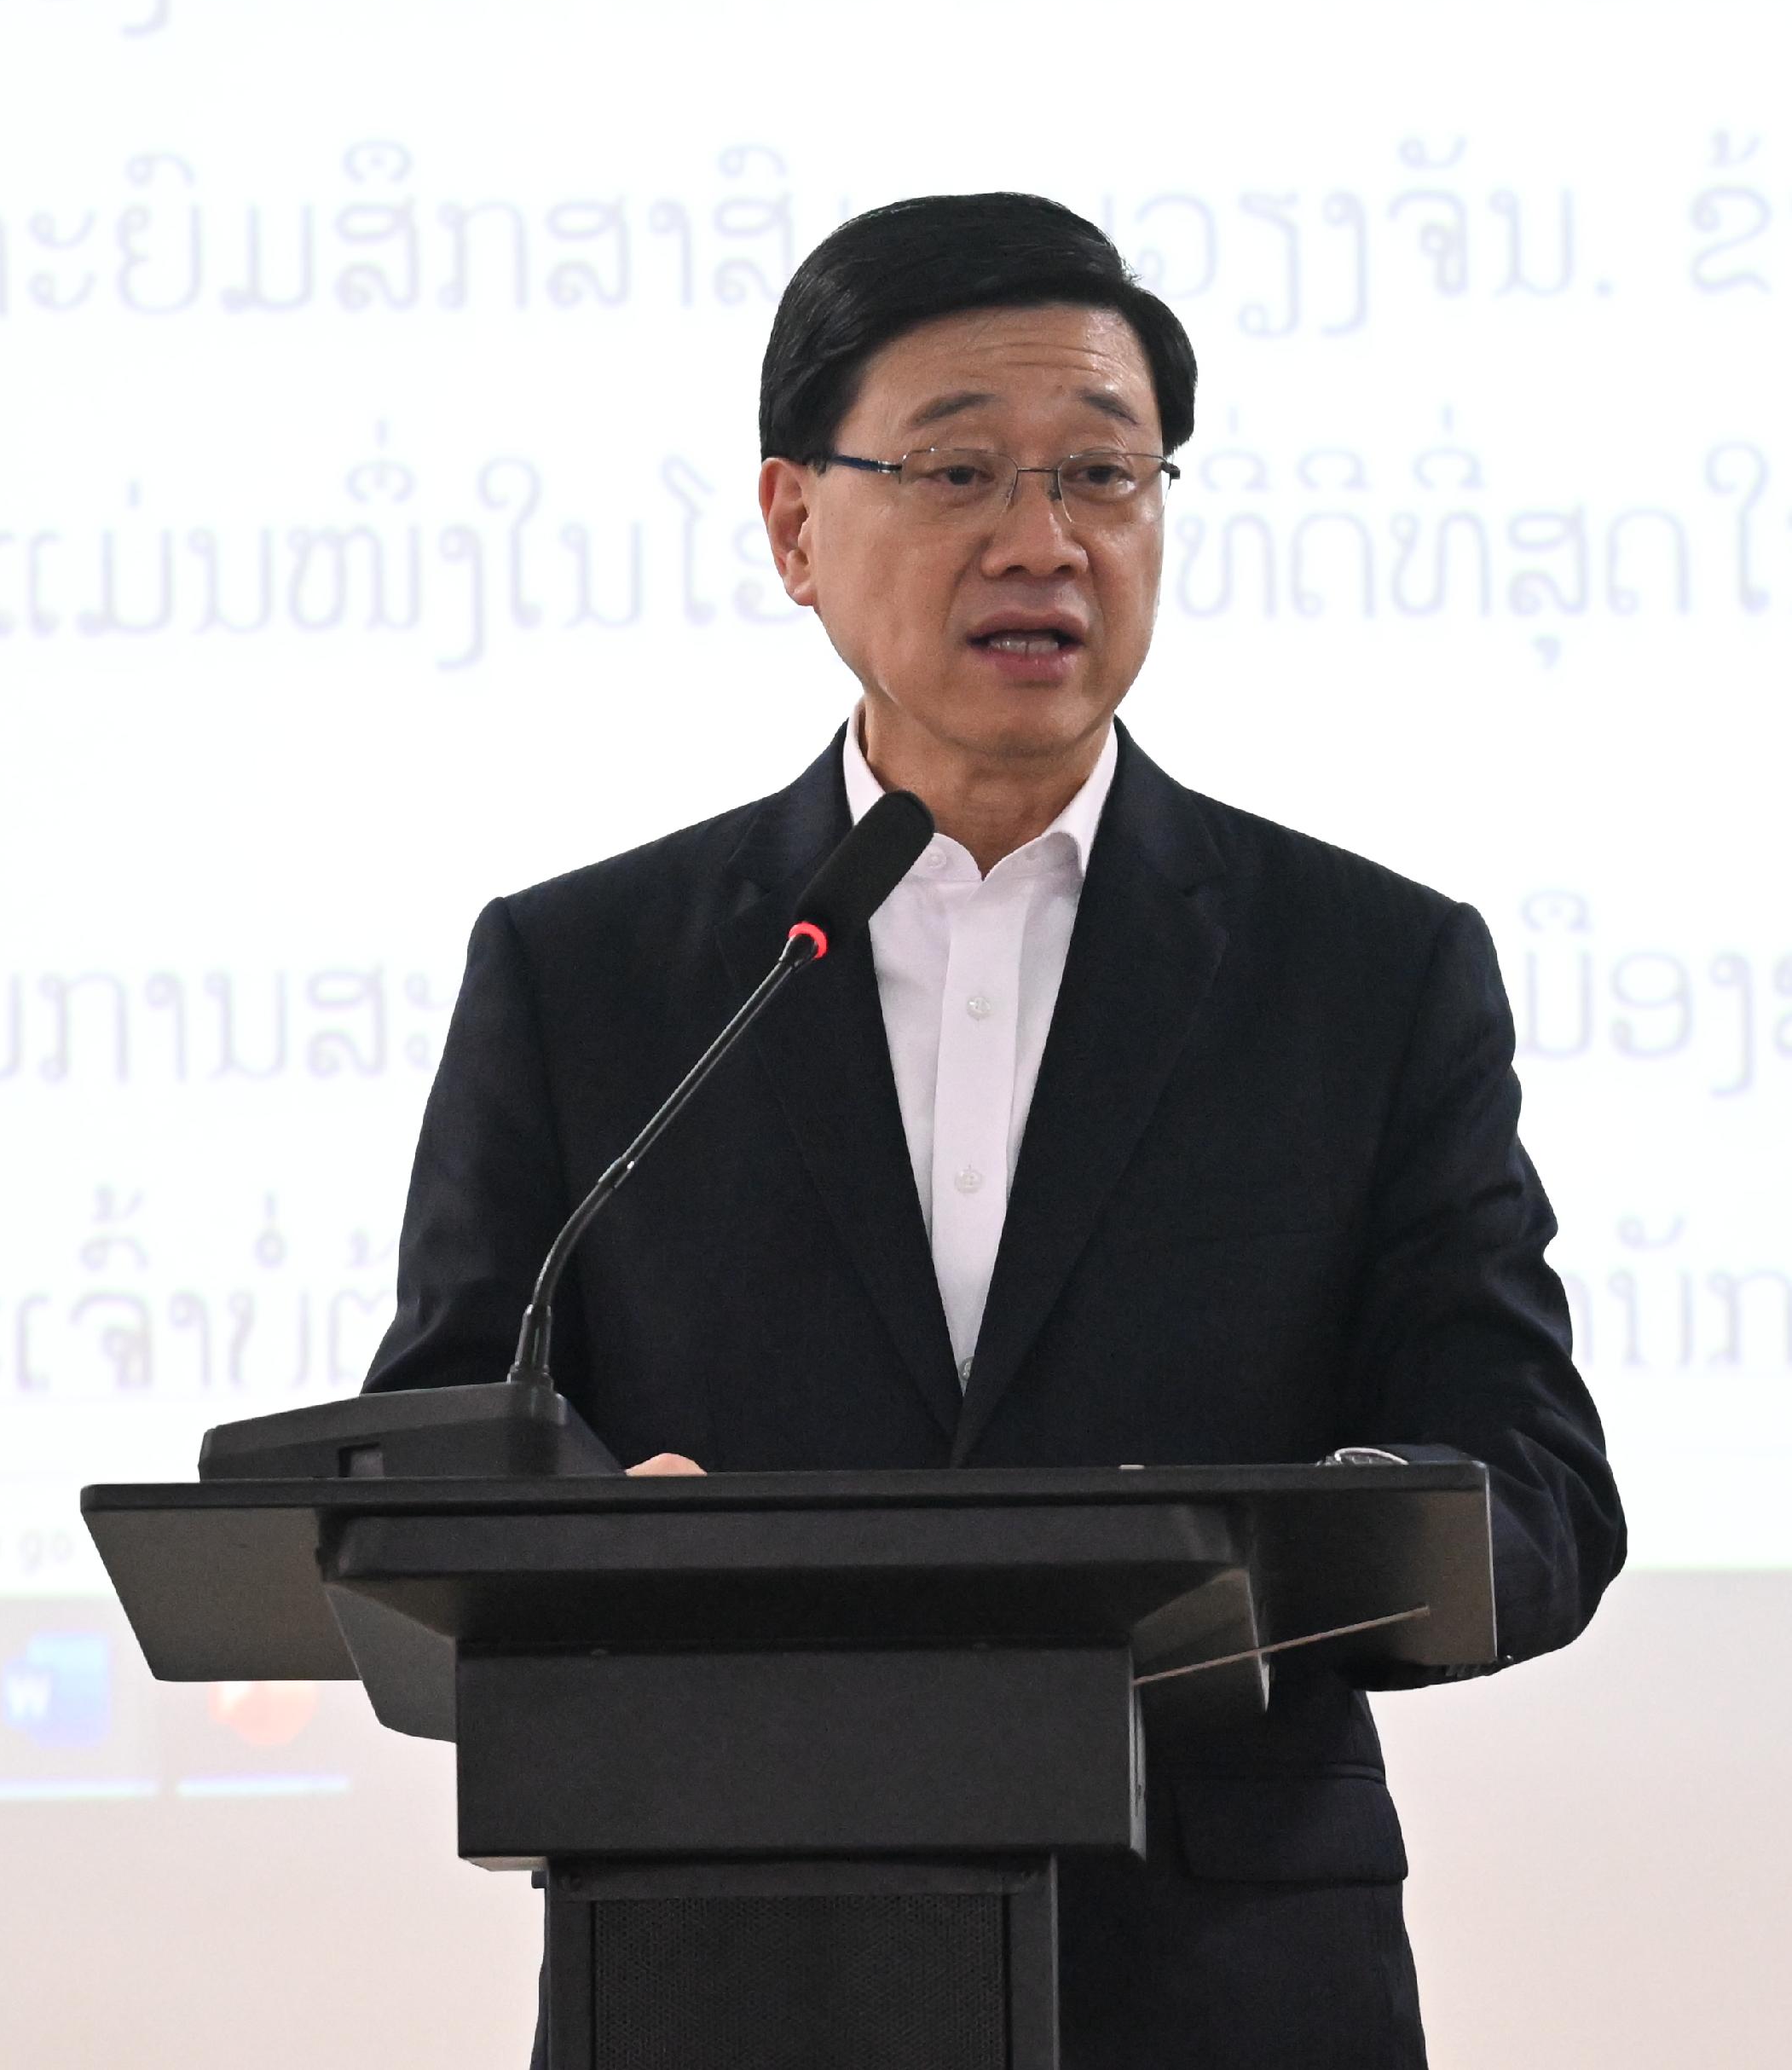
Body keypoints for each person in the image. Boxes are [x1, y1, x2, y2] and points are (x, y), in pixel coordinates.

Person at [365, 192, 1621, 2069]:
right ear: (795, 522)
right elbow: (441, 1453)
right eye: (957, 470)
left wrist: (1299, 1560)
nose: (1040, 539)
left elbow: (1534, 1485)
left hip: (1225, 1980)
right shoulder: (590, 973)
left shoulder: (1362, 971)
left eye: (1104, 475)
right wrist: (597, 1542)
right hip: (727, 1957)